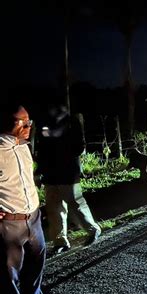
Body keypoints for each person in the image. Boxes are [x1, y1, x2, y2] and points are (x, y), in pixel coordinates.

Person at [0, 102, 65, 294]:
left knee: (36, 268)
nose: (29, 126)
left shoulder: (25, 146)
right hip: (10, 225)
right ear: (8, 123)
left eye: (30, 121)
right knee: (10, 278)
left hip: (34, 219)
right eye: (23, 122)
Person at [36, 105, 101, 254]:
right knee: (54, 209)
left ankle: (93, 229)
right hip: (51, 174)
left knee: (76, 203)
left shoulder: (71, 124)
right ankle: (60, 241)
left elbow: (79, 147)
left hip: (68, 172)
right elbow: (42, 148)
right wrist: (40, 171)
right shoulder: (46, 126)